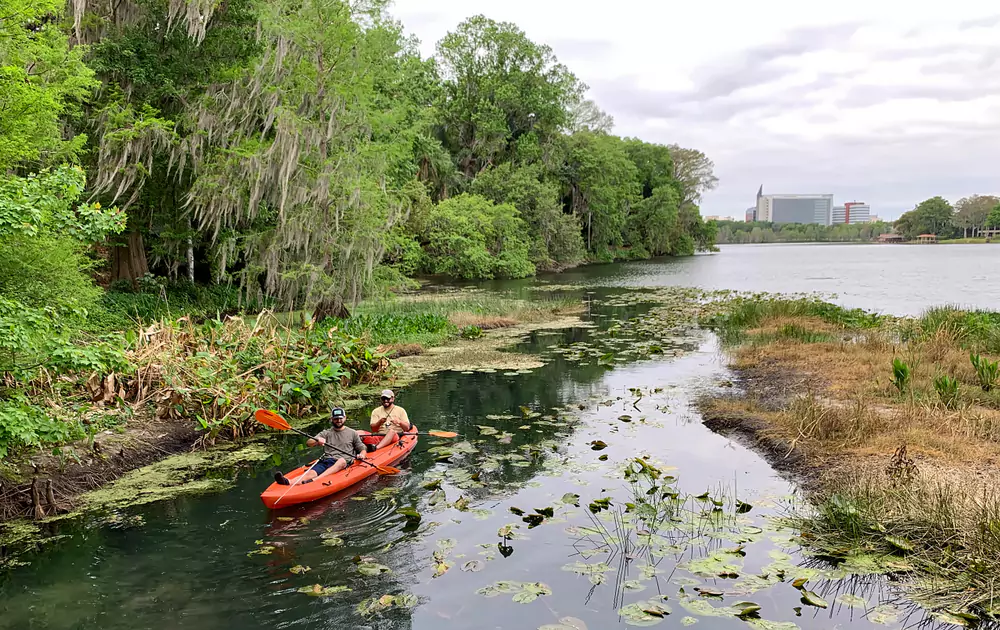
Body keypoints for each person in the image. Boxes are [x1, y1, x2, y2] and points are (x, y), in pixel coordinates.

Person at [273, 407, 366, 485]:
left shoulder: (352, 433)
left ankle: (315, 480)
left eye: (340, 418)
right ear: (331, 419)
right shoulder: (326, 433)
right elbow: (308, 443)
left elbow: (362, 448)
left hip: (343, 462)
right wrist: (317, 440)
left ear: (345, 418)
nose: (338, 420)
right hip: (327, 460)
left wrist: (362, 454)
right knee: (311, 473)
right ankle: (288, 482)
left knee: (341, 461)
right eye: (336, 418)